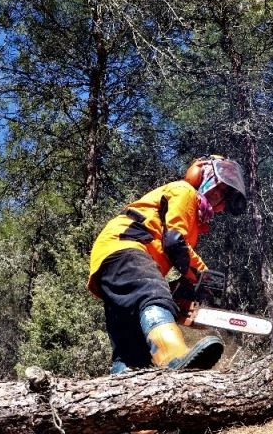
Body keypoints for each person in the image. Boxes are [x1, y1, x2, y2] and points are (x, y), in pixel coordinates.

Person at [87, 155, 247, 376]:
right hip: (126, 247)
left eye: (223, 199)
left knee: (131, 345)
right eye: (218, 191)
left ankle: (125, 378)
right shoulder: (185, 191)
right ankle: (172, 354)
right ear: (201, 175)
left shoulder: (194, 221)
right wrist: (202, 275)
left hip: (111, 261)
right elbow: (174, 241)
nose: (218, 202)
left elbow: (175, 253)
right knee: (153, 296)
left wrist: (183, 291)